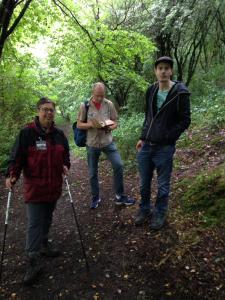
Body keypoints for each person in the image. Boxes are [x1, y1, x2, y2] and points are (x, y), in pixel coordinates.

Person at [5, 97, 70, 285]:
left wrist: (65, 165)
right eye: (45, 110)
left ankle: (43, 245)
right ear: (38, 110)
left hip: (53, 186)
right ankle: (33, 260)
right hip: (35, 187)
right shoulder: (27, 133)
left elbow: (65, 155)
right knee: (35, 222)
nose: (49, 113)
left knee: (48, 217)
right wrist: (12, 174)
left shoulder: (58, 135)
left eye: (52, 110)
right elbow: (16, 157)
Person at [135, 56, 191, 230]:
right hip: (147, 145)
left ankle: (159, 213)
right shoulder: (151, 90)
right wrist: (142, 137)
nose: (163, 71)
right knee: (144, 183)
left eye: (167, 68)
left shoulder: (180, 92)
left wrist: (169, 136)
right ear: (155, 71)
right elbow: (148, 117)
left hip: (164, 147)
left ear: (171, 71)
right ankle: (144, 209)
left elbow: (185, 120)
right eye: (160, 68)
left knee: (163, 184)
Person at [77, 82, 135, 209]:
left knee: (118, 165)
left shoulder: (109, 104)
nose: (99, 98)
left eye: (102, 96)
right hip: (92, 143)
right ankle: (95, 198)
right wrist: (92, 125)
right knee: (93, 173)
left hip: (107, 141)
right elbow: (79, 125)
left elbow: (115, 122)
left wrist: (109, 127)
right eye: (97, 96)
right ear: (93, 93)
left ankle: (120, 196)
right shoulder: (85, 106)